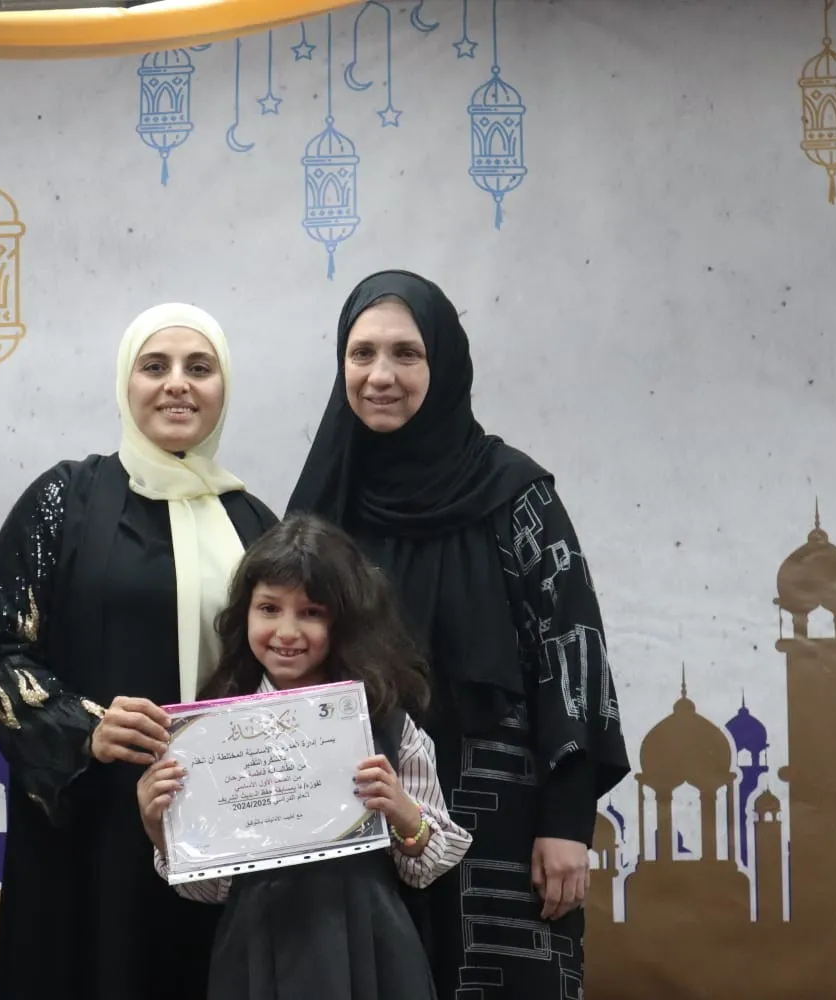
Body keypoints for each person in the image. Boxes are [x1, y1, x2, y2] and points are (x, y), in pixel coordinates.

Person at [287, 269, 631, 999]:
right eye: (362, 353)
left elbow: (573, 658)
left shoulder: (514, 495)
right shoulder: (324, 502)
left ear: (443, 364)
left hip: (502, 833)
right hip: (359, 822)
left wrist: (568, 822)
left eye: (406, 353)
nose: (381, 375)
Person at [0, 303, 278, 1000]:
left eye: (199, 368)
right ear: (125, 383)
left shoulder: (255, 523)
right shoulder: (66, 499)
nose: (177, 384)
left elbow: (295, 666)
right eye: (155, 366)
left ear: (224, 387)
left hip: (224, 828)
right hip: (94, 820)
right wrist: (87, 726)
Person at [138, 512, 473, 1000]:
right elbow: (211, 889)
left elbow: (429, 868)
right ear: (245, 614)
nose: (287, 631)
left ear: (344, 620)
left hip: (371, 948)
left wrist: (403, 812)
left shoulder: (385, 723)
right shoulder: (211, 735)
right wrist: (160, 830)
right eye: (269, 608)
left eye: (311, 612)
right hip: (256, 949)